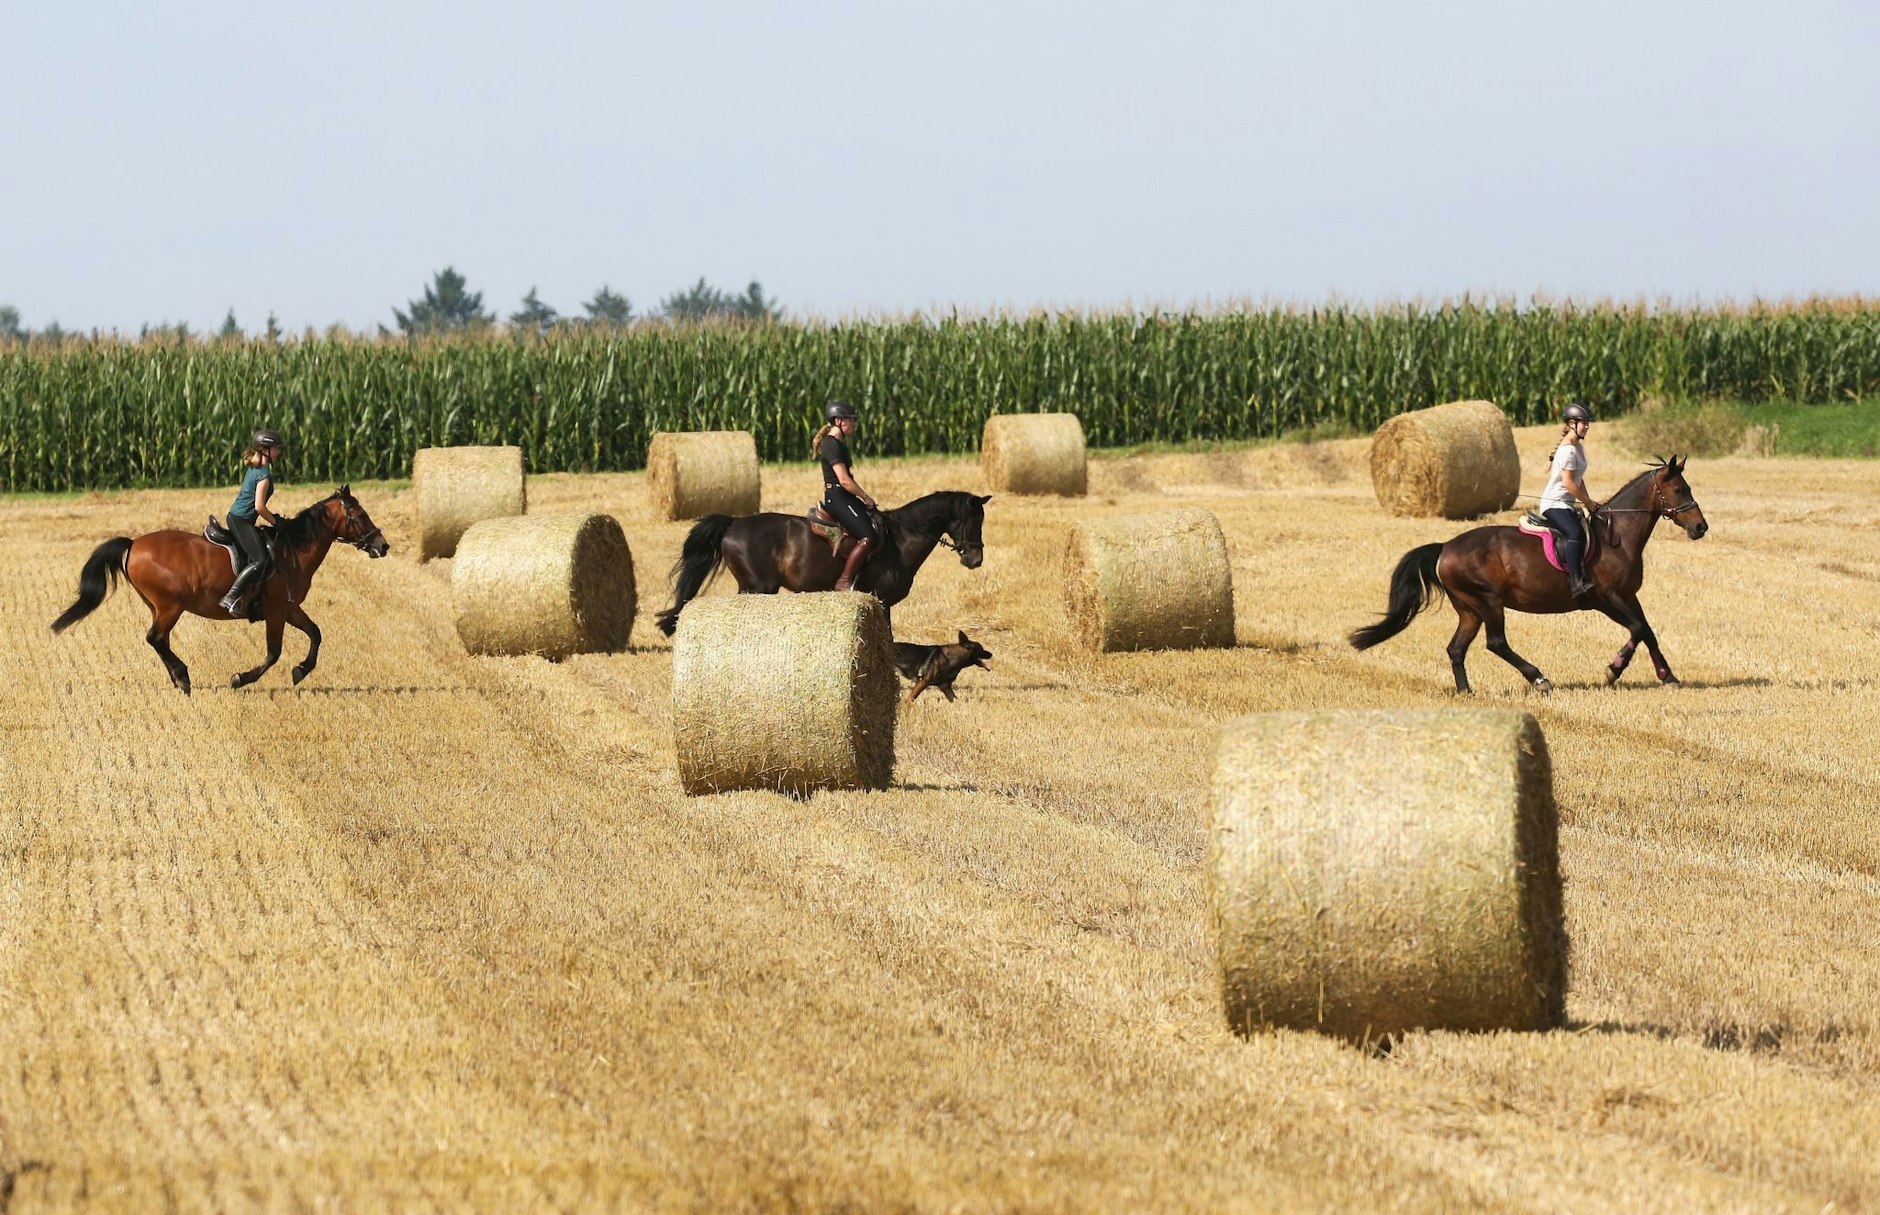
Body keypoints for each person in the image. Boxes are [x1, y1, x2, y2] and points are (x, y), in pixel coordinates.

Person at [812, 400, 880, 591]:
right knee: (868, 536)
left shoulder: (838, 444)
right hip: (838, 497)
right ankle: (843, 581)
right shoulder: (831, 445)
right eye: (850, 420)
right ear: (838, 421)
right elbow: (844, 480)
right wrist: (866, 497)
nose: (853, 424)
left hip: (845, 497)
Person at [1538, 402, 1600, 597]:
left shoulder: (1578, 448)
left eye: (1588, 423)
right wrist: (1587, 503)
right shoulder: (1568, 451)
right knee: (1575, 533)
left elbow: (1578, 481)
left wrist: (1587, 501)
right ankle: (1575, 582)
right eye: (1584, 423)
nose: (1587, 427)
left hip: (1567, 504)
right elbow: (1568, 483)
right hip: (1554, 504)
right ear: (1572, 423)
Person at [218, 428, 283, 614]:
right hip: (240, 521)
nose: (278, 452)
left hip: (239, 519)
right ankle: (231, 597)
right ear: (265, 449)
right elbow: (259, 507)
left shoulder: (256, 468)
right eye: (275, 448)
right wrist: (275, 522)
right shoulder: (263, 475)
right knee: (260, 560)